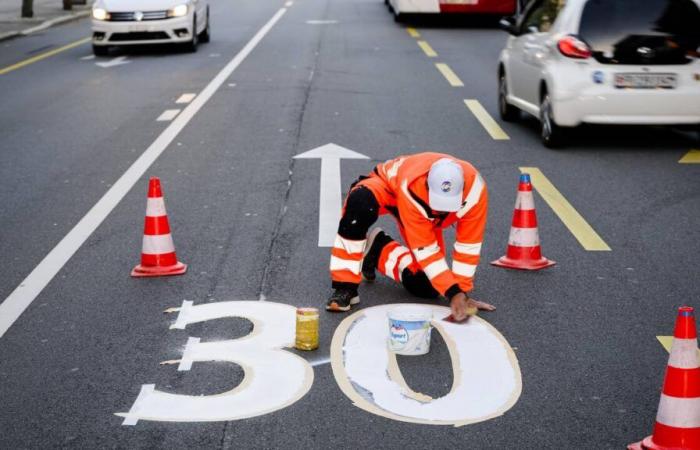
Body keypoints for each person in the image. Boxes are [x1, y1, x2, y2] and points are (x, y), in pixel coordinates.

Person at [326, 152, 495, 322]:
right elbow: (426, 250)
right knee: (360, 204)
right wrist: (454, 293)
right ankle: (345, 287)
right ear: (427, 186)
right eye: (440, 204)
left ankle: (378, 249)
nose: (444, 211)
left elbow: (468, 245)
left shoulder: (475, 193)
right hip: (388, 187)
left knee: (427, 287)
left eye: (448, 205)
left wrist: (461, 292)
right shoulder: (413, 187)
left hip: (427, 215)